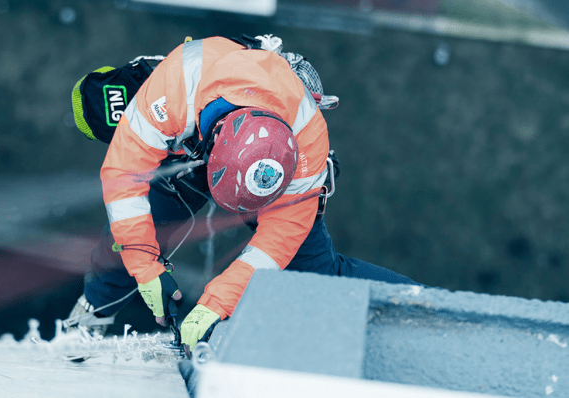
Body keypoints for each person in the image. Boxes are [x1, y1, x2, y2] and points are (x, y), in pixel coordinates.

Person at [66, 35, 418, 352]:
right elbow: (124, 174)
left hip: (272, 164)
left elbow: (276, 242)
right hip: (186, 148)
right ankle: (91, 314)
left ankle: (425, 311)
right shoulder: (174, 89)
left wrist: (219, 302)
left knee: (313, 272)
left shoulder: (308, 142)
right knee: (138, 226)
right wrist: (144, 265)